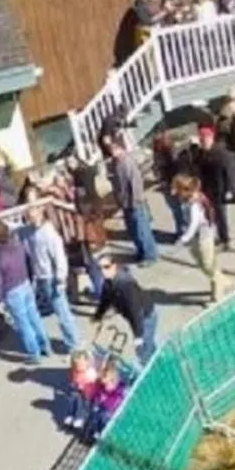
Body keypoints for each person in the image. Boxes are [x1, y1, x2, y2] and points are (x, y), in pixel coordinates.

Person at [0, 219, 54, 362]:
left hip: (12, 291)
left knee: (23, 323)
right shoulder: (18, 247)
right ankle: (46, 346)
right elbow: (28, 263)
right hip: (25, 284)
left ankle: (34, 353)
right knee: (35, 317)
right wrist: (30, 279)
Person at [25, 201, 81, 354]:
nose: (31, 216)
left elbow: (59, 257)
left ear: (41, 211)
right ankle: (73, 340)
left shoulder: (49, 233)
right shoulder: (30, 231)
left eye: (34, 212)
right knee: (60, 310)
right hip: (43, 276)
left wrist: (61, 278)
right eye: (29, 213)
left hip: (52, 278)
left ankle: (74, 343)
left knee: (62, 311)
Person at [92, 255, 159, 370]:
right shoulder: (108, 282)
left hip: (145, 316)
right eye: (100, 268)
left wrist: (138, 335)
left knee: (143, 350)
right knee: (149, 344)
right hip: (138, 315)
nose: (103, 271)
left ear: (114, 266)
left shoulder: (126, 285)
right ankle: (156, 362)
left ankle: (148, 372)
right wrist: (98, 316)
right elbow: (105, 300)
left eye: (106, 267)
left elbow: (135, 311)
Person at [172, 174, 225, 304]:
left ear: (184, 190)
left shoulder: (194, 204)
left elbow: (194, 224)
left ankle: (218, 291)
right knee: (201, 262)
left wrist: (183, 239)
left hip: (203, 236)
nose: (173, 191)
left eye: (176, 188)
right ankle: (220, 278)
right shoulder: (187, 200)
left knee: (207, 264)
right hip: (196, 238)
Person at [104, 136, 158, 264]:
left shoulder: (127, 162)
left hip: (134, 202)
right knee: (133, 230)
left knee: (142, 229)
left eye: (115, 149)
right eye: (111, 149)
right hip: (125, 202)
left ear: (121, 148)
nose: (112, 152)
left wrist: (135, 201)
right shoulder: (116, 163)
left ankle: (150, 255)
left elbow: (136, 184)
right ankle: (140, 251)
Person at [192, 125, 232, 251]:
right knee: (210, 215)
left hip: (219, 190)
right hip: (207, 189)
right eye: (201, 140)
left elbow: (229, 172)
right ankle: (219, 236)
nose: (203, 142)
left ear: (211, 138)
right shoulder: (200, 153)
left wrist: (229, 189)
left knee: (221, 216)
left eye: (205, 139)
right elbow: (196, 167)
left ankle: (225, 240)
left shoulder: (220, 153)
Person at [63, 349, 99, 431]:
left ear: (87, 364)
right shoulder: (76, 371)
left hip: (88, 393)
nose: (78, 368)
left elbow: (93, 387)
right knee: (72, 397)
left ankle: (80, 417)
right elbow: (74, 380)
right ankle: (71, 414)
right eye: (76, 365)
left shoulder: (90, 373)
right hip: (79, 389)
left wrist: (83, 388)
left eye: (80, 365)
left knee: (81, 401)